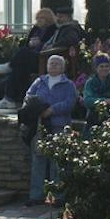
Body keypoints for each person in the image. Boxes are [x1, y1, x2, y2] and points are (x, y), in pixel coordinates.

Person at [23, 54, 81, 204]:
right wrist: (38, 109)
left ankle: (58, 196)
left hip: (59, 125)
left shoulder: (68, 85)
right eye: (51, 63)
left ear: (63, 67)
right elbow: (28, 97)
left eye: (57, 63)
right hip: (40, 125)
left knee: (58, 162)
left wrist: (52, 110)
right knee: (38, 161)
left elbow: (70, 102)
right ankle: (36, 196)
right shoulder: (39, 82)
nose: (53, 65)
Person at [81, 53, 110, 125]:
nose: (104, 69)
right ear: (96, 68)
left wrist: (96, 100)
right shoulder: (90, 82)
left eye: (107, 66)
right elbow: (87, 101)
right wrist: (107, 101)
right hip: (93, 118)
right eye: (101, 66)